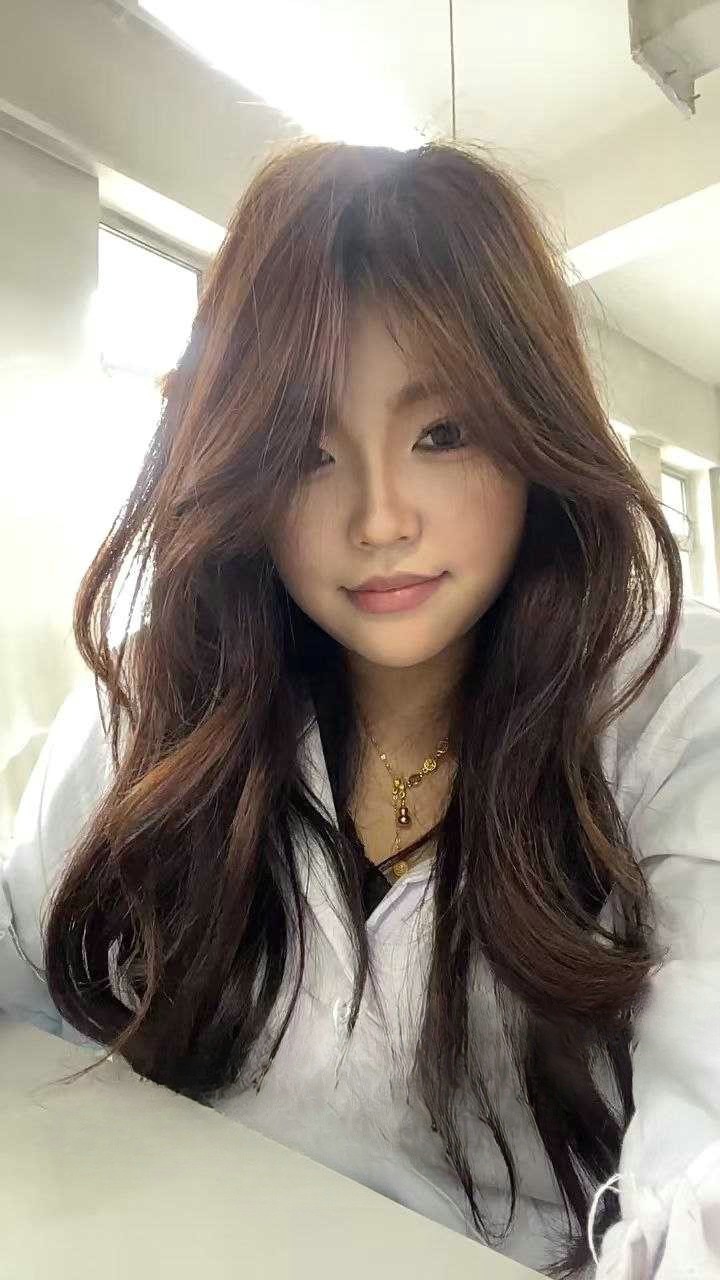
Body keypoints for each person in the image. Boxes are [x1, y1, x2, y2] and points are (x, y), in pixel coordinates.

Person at [2, 140, 720, 1280]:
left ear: (533, 431)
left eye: (443, 434)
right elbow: (23, 977)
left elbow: (705, 1156)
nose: (381, 518)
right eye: (308, 451)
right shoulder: (160, 698)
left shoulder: (666, 710)